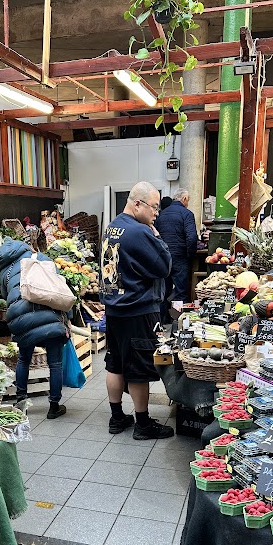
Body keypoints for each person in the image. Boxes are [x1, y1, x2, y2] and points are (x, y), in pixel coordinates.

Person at [100, 181, 174, 440]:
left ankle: (116, 416)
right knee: (138, 368)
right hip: (138, 309)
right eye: (154, 207)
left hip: (114, 309)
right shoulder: (140, 232)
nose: (156, 213)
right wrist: (156, 236)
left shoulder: (112, 227)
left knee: (115, 363)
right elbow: (164, 266)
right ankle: (143, 423)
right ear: (138, 203)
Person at [0, 238, 69, 419]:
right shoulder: (41, 257)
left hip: (21, 319)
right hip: (49, 317)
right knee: (55, 363)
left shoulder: (5, 271)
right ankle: (54, 406)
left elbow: (6, 295)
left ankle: (21, 402)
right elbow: (58, 284)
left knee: (23, 360)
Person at [154, 188, 198, 302]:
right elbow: (192, 238)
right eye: (188, 200)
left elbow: (155, 236)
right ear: (184, 199)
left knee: (163, 290)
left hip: (163, 257)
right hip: (180, 256)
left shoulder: (161, 215)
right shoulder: (187, 214)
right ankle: (178, 318)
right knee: (181, 291)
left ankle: (162, 318)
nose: (187, 203)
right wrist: (190, 255)